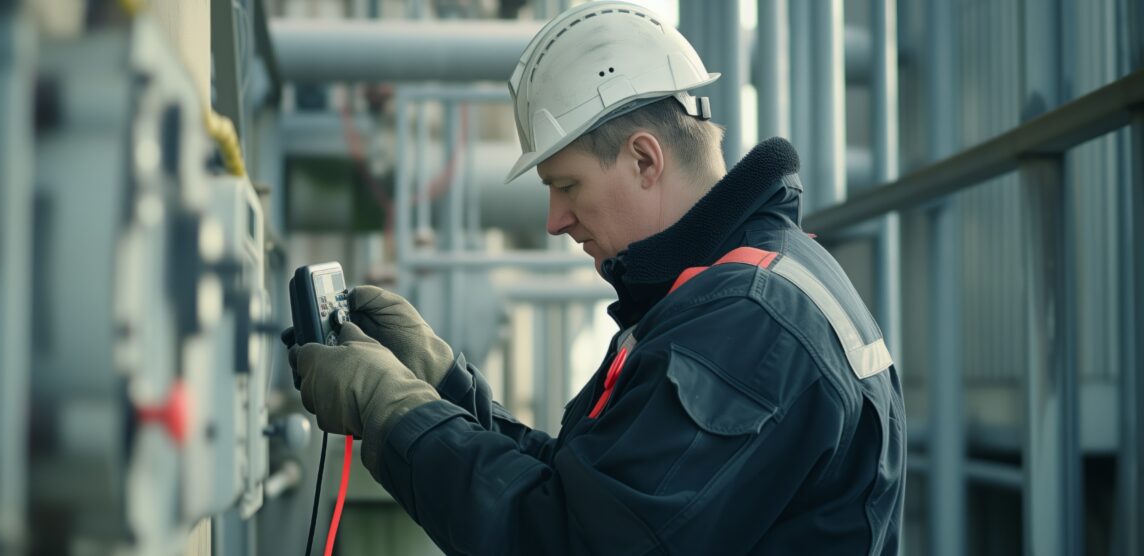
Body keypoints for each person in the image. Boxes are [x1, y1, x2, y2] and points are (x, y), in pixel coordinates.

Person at [283, 2, 905, 554]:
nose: (555, 220)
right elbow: (589, 497)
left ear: (643, 159)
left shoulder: (747, 326)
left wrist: (395, 412)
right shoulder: (729, 294)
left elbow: (565, 539)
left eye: (567, 186)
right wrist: (440, 385)